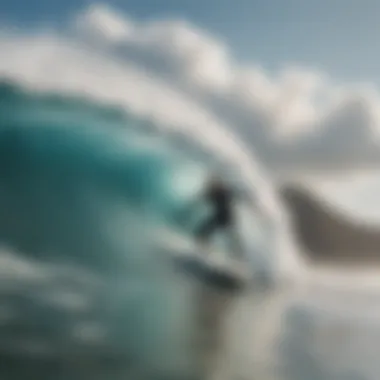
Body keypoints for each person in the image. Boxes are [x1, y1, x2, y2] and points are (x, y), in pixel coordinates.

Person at [194, 174, 258, 259]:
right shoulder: (213, 192)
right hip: (220, 216)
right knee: (205, 231)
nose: (213, 185)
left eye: (214, 183)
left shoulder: (224, 191)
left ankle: (239, 256)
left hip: (226, 217)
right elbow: (204, 197)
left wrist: (252, 203)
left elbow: (238, 195)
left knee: (230, 236)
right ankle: (203, 249)